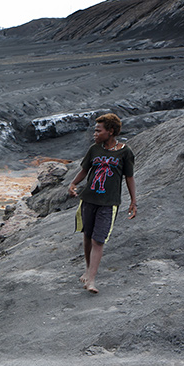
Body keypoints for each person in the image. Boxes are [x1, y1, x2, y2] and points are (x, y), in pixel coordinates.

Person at [67, 113, 137, 294]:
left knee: (98, 240)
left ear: (111, 131)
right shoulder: (94, 149)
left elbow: (129, 177)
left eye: (98, 131)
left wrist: (133, 201)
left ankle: (91, 279)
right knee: (87, 235)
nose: (95, 134)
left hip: (108, 202)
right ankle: (88, 268)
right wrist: (73, 184)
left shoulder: (125, 152)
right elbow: (85, 170)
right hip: (89, 199)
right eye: (95, 131)